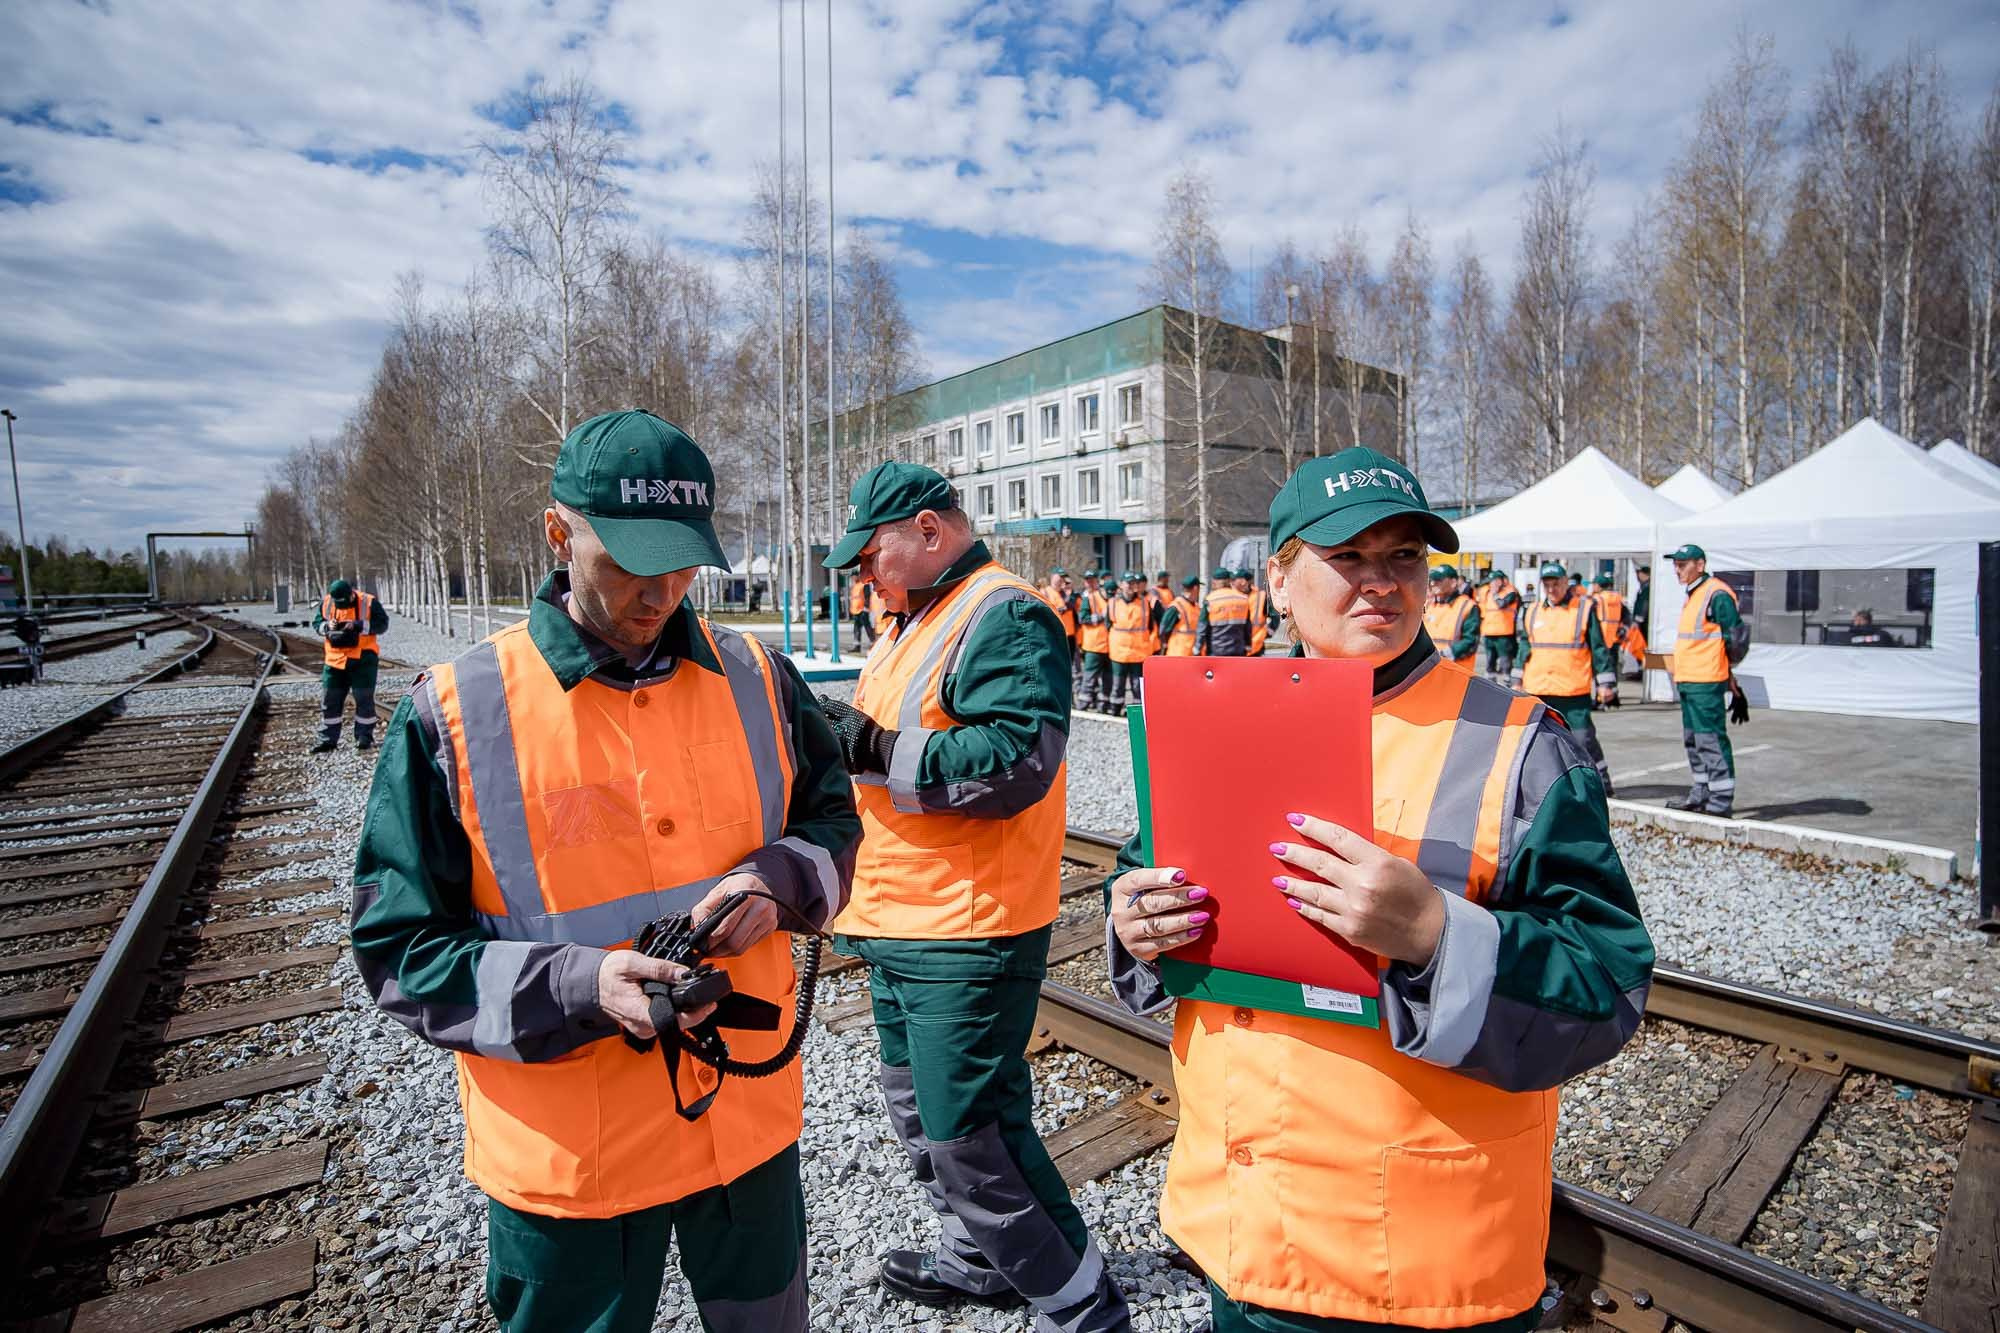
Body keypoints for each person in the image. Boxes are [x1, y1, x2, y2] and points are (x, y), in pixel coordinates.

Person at [1105, 446, 1652, 1333]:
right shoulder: (1207, 722)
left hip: (1419, 1263)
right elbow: (1149, 884)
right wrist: (1132, 919)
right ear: (1279, 581)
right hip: (1237, 1227)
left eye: (1404, 556)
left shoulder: (1519, 741)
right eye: (1348, 557)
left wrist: (1436, 933)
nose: (1381, 583)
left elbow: (1607, 985)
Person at [350, 409, 861, 1333]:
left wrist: (779, 881)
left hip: (741, 1127)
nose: (662, 587)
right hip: (568, 1167)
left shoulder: (761, 676)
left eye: (681, 559)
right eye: (629, 556)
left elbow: (834, 821)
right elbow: (399, 952)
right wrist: (584, 983)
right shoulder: (455, 713)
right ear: (558, 531)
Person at [815, 462, 1133, 1330]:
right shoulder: (915, 616)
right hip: (897, 915)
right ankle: (980, 1255)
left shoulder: (1005, 614)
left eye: (869, 554)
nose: (860, 574)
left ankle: (1081, 1303)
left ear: (927, 531)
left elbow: (1013, 762)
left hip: (965, 924)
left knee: (974, 1133)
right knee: (919, 1114)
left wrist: (870, 743)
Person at [1515, 563, 1617, 795]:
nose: (1551, 589)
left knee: (1582, 740)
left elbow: (1598, 648)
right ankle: (1548, 787)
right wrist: (1517, 678)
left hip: (1573, 690)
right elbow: (1524, 646)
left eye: (1556, 584)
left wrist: (1606, 684)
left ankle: (1600, 784)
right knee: (1540, 743)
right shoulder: (1532, 612)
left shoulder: (1582, 608)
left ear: (1565, 582)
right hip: (1539, 688)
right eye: (1547, 584)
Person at [1665, 543, 1750, 815]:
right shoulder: (1695, 594)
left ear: (1699, 565)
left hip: (1705, 681)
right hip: (1690, 680)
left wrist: (1727, 672)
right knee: (1693, 739)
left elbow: (1735, 638)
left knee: (1709, 739)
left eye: (1682, 564)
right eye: (1675, 564)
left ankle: (1721, 800)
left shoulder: (1716, 594)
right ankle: (1701, 792)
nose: (1677, 570)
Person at [312, 577, 390, 754]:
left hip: (363, 660)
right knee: (330, 701)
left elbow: (382, 625)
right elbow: (317, 623)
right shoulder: (327, 603)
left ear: (352, 594)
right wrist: (327, 626)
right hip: (334, 661)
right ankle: (328, 740)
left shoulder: (368, 602)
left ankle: (364, 737)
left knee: (364, 700)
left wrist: (358, 625)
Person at [1107, 570, 1157, 715]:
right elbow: (1107, 625)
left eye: (1133, 583)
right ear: (1121, 585)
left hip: (1139, 652)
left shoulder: (1144, 603)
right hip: (1119, 653)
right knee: (1118, 685)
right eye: (1128, 583)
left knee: (1137, 686)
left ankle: (1138, 714)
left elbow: (1150, 626)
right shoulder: (1113, 603)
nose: (1131, 586)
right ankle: (1115, 711)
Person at [1421, 566, 1480, 665]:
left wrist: (1442, 655)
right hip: (1429, 667)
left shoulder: (1467, 606)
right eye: (1432, 580)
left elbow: (1471, 641)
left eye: (1438, 580)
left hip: (1456, 669)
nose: (1432, 583)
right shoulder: (1430, 605)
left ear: (1453, 583)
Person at [1591, 571, 1635, 696]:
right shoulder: (1617, 599)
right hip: (1614, 639)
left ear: (1598, 586)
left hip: (1600, 640)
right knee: (1612, 667)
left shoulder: (1596, 599)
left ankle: (1600, 696)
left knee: (1600, 668)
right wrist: (1624, 630)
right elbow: (1627, 616)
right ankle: (1613, 694)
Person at [1075, 568, 1113, 712]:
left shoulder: (1109, 597)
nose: (1090, 583)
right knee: (1090, 677)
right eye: (1088, 580)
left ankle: (1103, 705)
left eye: (1093, 580)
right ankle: (1083, 705)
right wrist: (1102, 616)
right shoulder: (1089, 598)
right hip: (1094, 646)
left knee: (1107, 678)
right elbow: (1082, 618)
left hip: (1109, 646)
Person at [1475, 569, 1521, 682]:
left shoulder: (1510, 592)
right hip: (1488, 631)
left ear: (1501, 581)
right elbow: (1481, 609)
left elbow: (1502, 604)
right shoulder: (1486, 593)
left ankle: (1507, 679)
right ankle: (1490, 681)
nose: (1492, 584)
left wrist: (1495, 593)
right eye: (1491, 581)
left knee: (1505, 658)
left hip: (1503, 632)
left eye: (1495, 581)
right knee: (1490, 659)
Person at [1199, 565, 1250, 656]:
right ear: (1229, 581)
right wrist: (1248, 645)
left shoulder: (1210, 600)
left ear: (1214, 582)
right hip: (1238, 650)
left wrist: (1197, 649)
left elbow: (1202, 628)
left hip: (1216, 650)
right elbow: (1247, 626)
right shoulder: (1243, 599)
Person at [1156, 574, 1201, 657]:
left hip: (1192, 654)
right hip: (1178, 655)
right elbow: (1163, 631)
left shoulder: (1196, 607)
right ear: (1195, 588)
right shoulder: (1176, 607)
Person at [9, 611, 42, 683]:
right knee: (33, 654)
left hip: (29, 639)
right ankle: (34, 676)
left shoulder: (27, 625)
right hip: (28, 639)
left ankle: (35, 676)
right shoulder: (29, 625)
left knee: (33, 655)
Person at [850, 574, 879, 652]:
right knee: (856, 628)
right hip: (855, 610)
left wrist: (866, 607)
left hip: (862, 610)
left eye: (854, 576)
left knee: (867, 627)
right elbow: (853, 598)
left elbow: (867, 596)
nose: (853, 578)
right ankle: (857, 645)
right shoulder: (855, 586)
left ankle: (873, 642)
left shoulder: (863, 584)